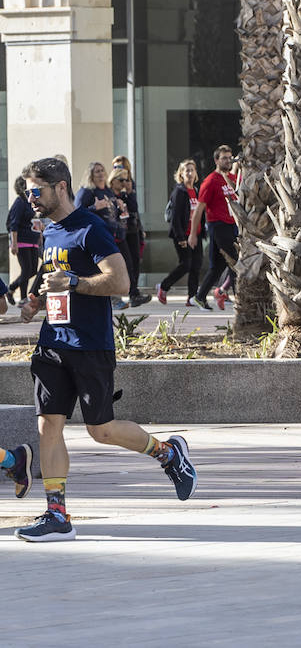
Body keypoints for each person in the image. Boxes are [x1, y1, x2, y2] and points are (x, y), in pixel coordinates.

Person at [1, 158, 196, 542]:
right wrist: (37, 303)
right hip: (53, 342)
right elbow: (51, 278)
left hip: (90, 344)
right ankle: (57, 513)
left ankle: (168, 453)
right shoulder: (50, 232)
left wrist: (73, 281)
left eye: (35, 191)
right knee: (48, 424)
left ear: (60, 187)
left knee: (101, 430)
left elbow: (120, 281)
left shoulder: (91, 228)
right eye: (26, 192)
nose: (30, 199)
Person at [74, 161, 132, 310]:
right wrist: (94, 208)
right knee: (105, 269)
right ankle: (113, 299)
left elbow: (111, 213)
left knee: (123, 264)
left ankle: (116, 297)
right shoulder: (86, 192)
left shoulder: (107, 191)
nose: (100, 174)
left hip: (112, 234)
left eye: (102, 171)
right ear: (91, 175)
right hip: (94, 237)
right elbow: (76, 214)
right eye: (97, 171)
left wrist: (119, 207)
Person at [189, 144, 238, 310]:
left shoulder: (230, 178)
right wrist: (193, 234)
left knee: (217, 266)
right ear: (216, 160)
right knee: (235, 261)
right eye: (224, 158)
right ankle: (241, 299)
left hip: (231, 225)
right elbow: (199, 209)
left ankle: (200, 297)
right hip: (218, 225)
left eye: (230, 158)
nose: (228, 161)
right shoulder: (210, 181)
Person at [156, 159, 204, 306]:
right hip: (183, 235)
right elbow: (175, 217)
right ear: (181, 174)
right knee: (186, 264)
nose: (190, 173)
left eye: (192, 170)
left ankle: (192, 297)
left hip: (196, 235)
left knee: (196, 265)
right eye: (186, 170)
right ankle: (164, 286)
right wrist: (180, 237)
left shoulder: (196, 190)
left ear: (196, 173)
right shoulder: (179, 191)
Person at [109, 167, 149, 307]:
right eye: (122, 180)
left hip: (130, 230)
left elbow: (134, 208)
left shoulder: (125, 195)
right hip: (116, 234)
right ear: (113, 181)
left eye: (127, 180)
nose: (124, 183)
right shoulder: (109, 196)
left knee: (134, 262)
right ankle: (119, 295)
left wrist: (130, 191)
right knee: (124, 264)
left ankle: (134, 293)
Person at [8, 176, 43, 303]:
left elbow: (36, 220)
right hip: (22, 241)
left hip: (33, 240)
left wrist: (39, 236)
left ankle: (11, 288)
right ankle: (22, 298)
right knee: (26, 270)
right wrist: (14, 243)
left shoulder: (31, 203)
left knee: (33, 270)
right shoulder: (19, 202)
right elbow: (14, 224)